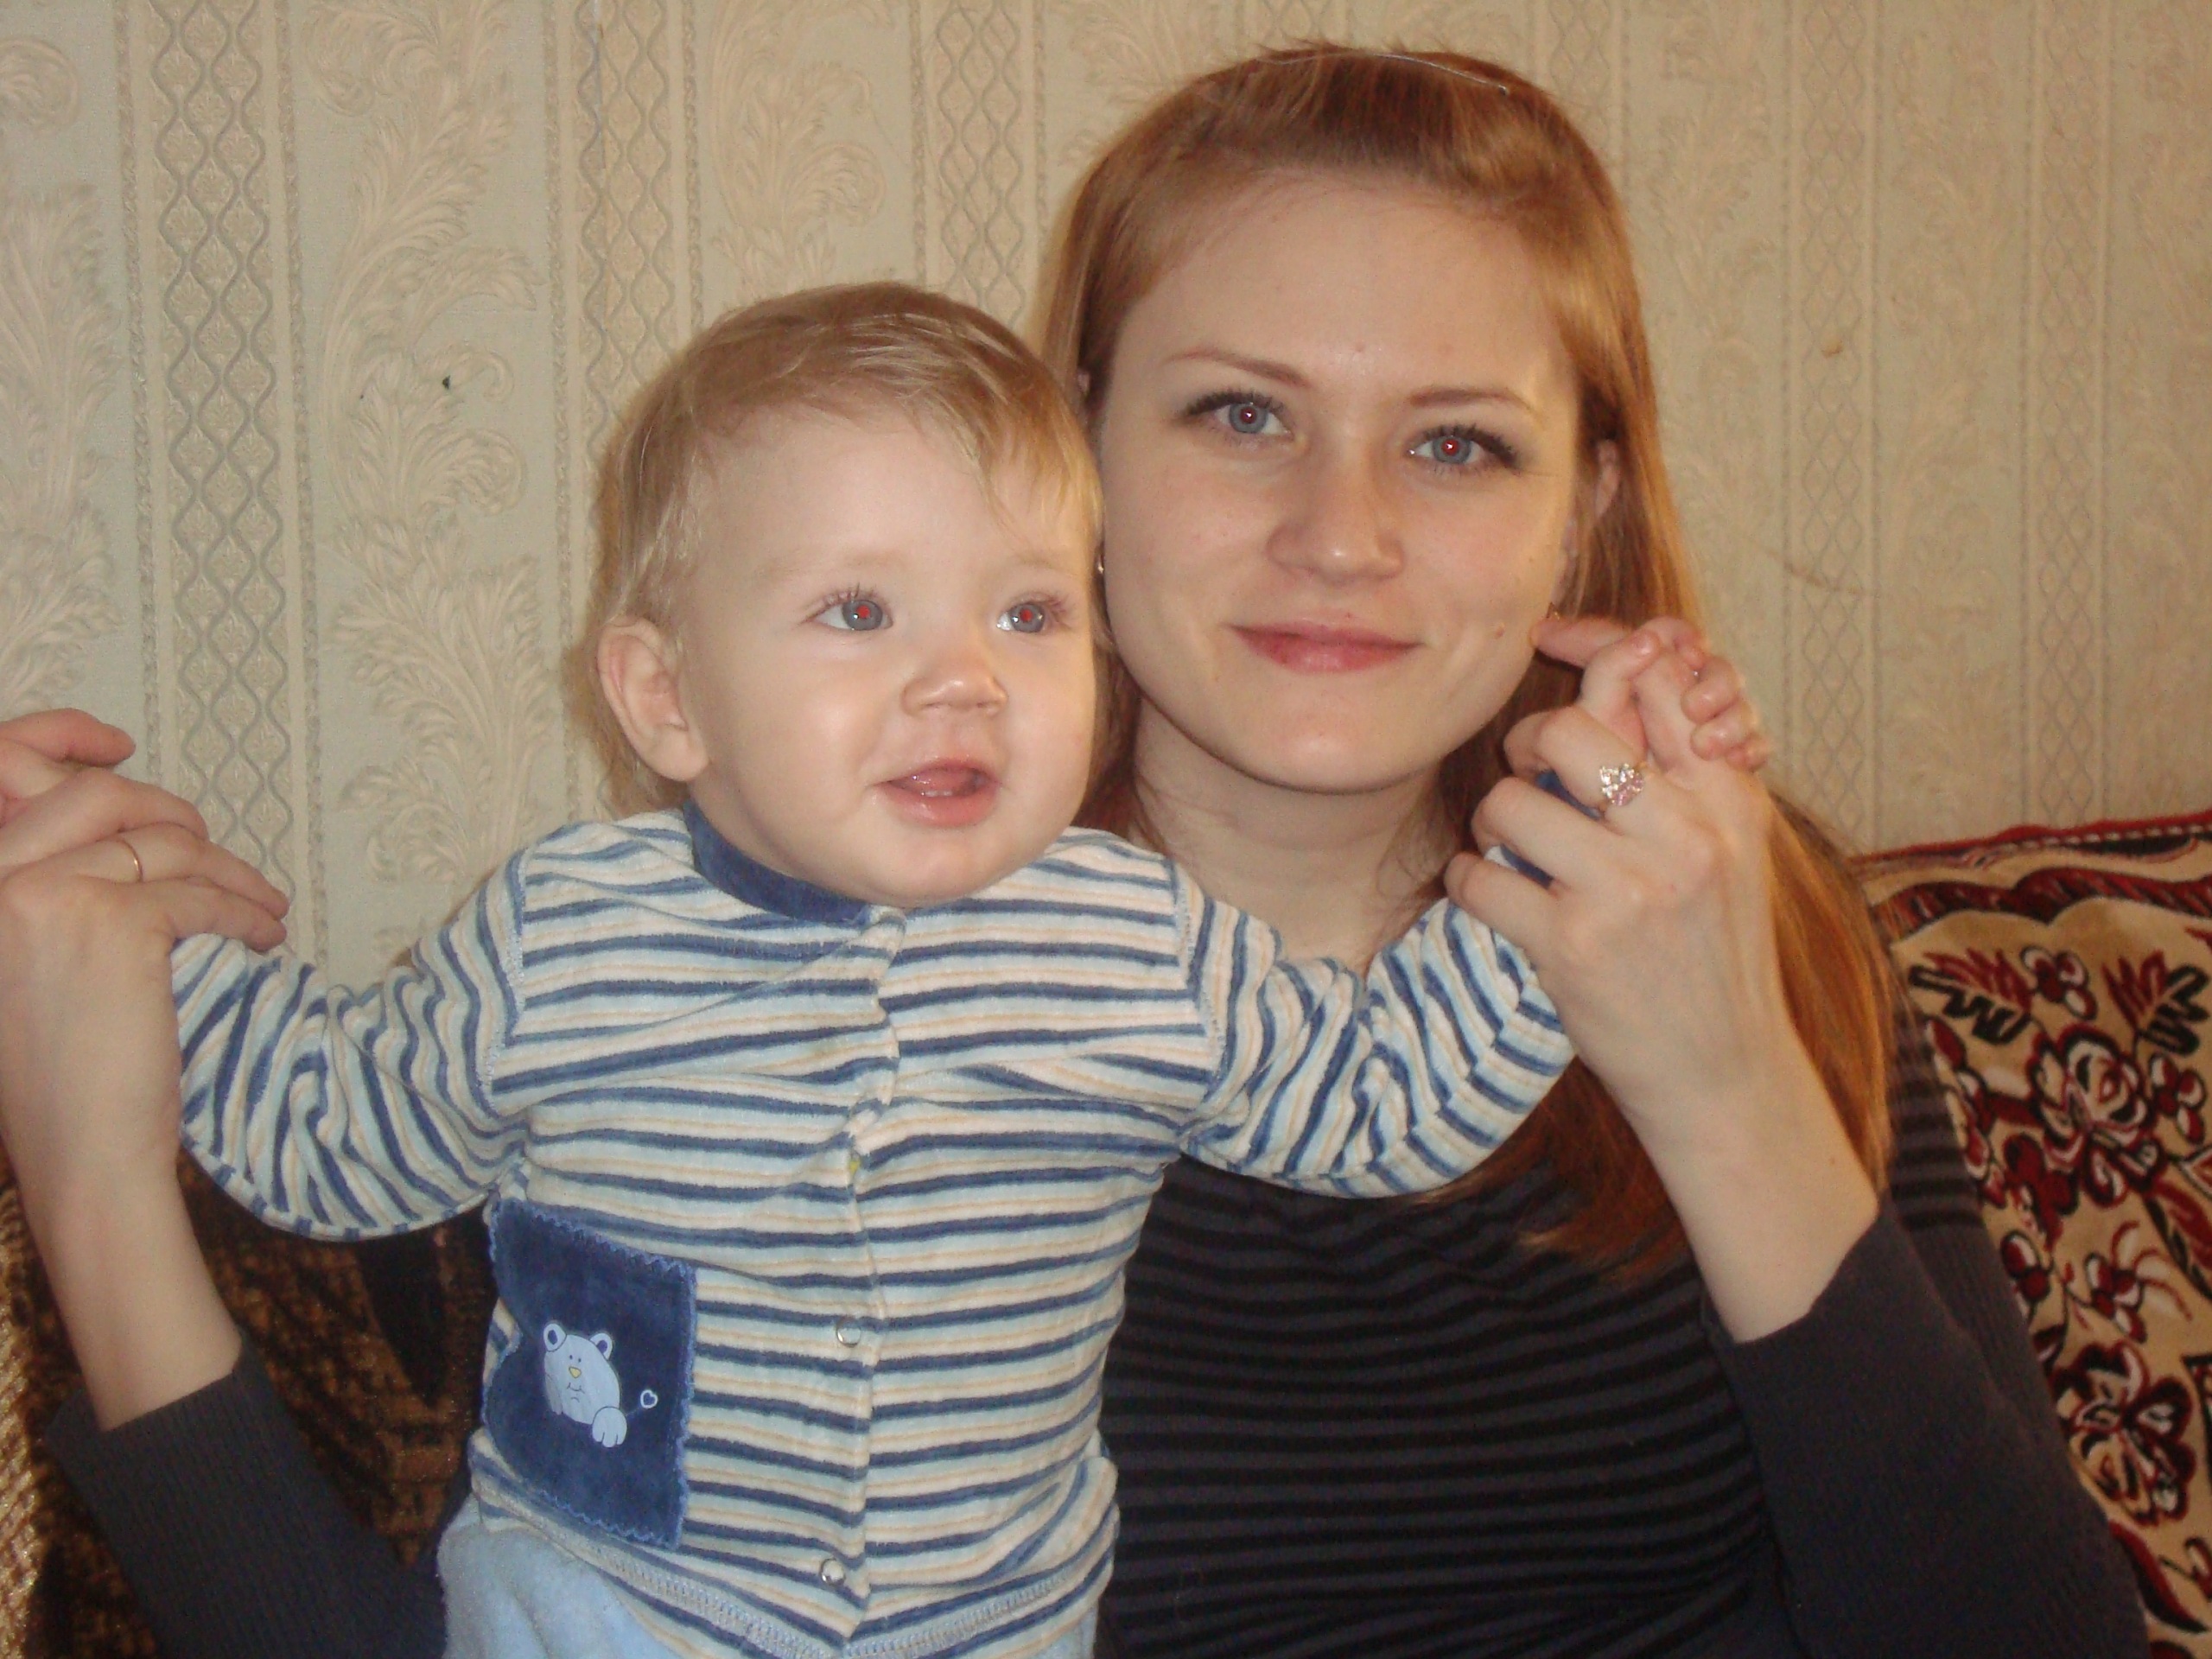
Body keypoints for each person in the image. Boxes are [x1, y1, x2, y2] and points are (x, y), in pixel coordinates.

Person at [0, 42, 2143, 1659]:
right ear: (1074, 450)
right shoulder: (745, 1004)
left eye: (1457, 442)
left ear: (1580, 506)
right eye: (1239, 412)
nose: (1339, 531)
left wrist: (1718, 1071)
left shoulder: (1737, 907)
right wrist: (100, 1145)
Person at [13, 277, 1721, 1659]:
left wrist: (1594, 796)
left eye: (1028, 614)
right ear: (665, 697)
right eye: (857, 612)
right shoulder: (560, 935)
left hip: (990, 1622)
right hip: (601, 1609)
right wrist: (123, 918)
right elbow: (332, 1138)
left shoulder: (1141, 944)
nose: (963, 680)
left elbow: (1382, 1101)